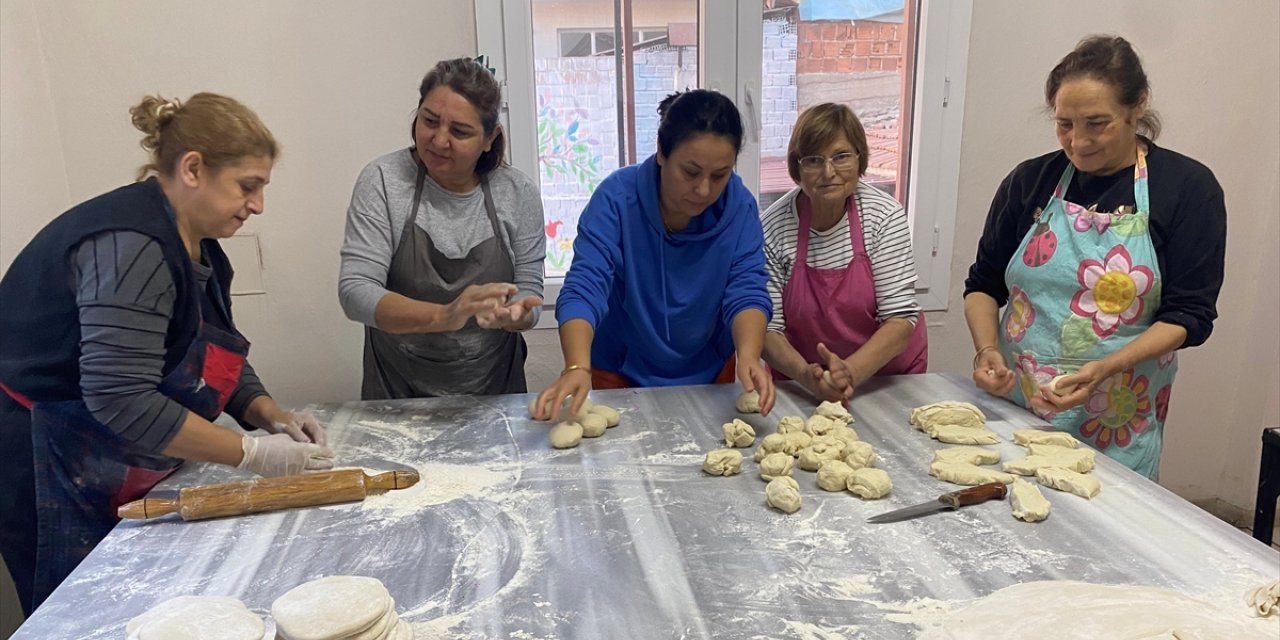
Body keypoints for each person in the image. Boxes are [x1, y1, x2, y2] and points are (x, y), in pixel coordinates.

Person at [0, 93, 334, 615]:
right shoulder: (133, 245)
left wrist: (268, 414)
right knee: (82, 613)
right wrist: (250, 455)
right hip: (44, 450)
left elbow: (207, 353)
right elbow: (120, 398)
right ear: (194, 168)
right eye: (248, 186)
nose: (258, 205)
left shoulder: (196, 241)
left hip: (98, 444)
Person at [964, 35, 1226, 479]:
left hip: (1118, 421)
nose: (1078, 141)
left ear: (1137, 105)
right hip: (1018, 410)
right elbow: (983, 286)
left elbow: (1190, 316)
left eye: (1096, 123)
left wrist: (1105, 368)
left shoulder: (1187, 189)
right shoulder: (1031, 181)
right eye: (1064, 124)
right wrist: (986, 350)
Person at [537, 89, 776, 419]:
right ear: (662, 153)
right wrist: (577, 365)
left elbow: (747, 289)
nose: (704, 189)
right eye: (690, 172)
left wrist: (749, 354)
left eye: (720, 175)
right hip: (619, 370)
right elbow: (584, 287)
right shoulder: (617, 200)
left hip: (711, 372)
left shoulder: (740, 207)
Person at [340, 57, 545, 399]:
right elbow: (355, 291)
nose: (438, 140)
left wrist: (517, 315)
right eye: (429, 121)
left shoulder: (517, 193)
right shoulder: (383, 181)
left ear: (490, 138)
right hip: (396, 392)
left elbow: (529, 291)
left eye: (460, 131)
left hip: (493, 392)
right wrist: (442, 316)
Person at [761, 103, 928, 404]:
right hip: (805, 382)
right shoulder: (773, 226)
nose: (829, 172)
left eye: (841, 157)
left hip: (884, 378)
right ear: (796, 166)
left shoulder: (883, 217)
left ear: (860, 158)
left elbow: (900, 320)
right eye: (813, 160)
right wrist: (807, 376)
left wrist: (848, 372)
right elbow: (767, 329)